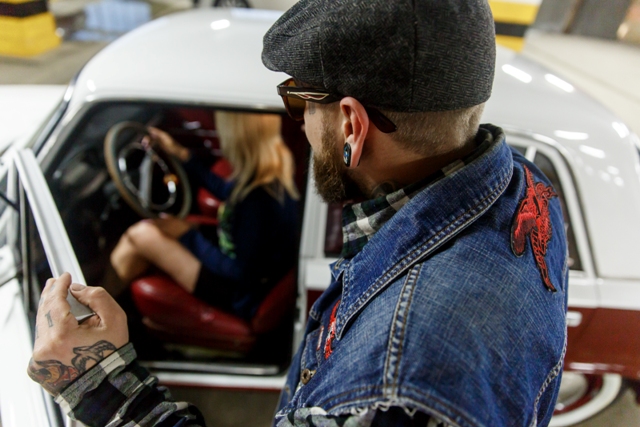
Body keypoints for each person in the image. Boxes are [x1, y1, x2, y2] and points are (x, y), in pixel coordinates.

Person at [28, 1, 568, 426]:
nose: (303, 125)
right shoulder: (525, 190)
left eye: (298, 100)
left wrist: (98, 384)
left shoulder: (391, 392)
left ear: (352, 126)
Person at [108, 111, 299, 321]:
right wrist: (179, 152)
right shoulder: (269, 171)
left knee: (139, 235)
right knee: (155, 231)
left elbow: (241, 272)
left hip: (239, 293)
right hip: (242, 263)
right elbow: (227, 191)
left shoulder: (257, 202)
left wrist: (187, 236)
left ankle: (97, 305)